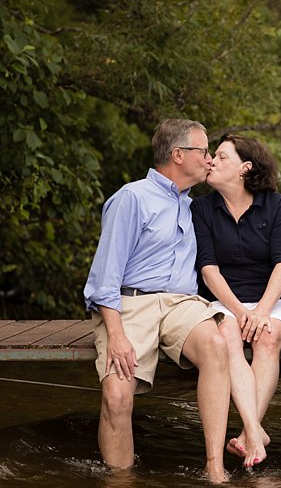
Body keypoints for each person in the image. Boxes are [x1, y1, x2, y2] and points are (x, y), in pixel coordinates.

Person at [83, 119, 233, 483]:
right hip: (131, 303)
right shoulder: (132, 198)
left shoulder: (192, 204)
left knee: (215, 344)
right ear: (178, 155)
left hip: (181, 303)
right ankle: (122, 480)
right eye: (204, 150)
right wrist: (116, 335)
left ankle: (214, 467)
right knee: (117, 397)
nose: (209, 158)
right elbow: (105, 279)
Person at [191, 133, 281, 468]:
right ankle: (253, 432)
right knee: (228, 338)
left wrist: (263, 310)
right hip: (224, 300)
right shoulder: (202, 208)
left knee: (268, 338)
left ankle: (249, 433)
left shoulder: (275, 205)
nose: (212, 161)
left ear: (244, 168)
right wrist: (239, 311)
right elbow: (208, 269)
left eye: (221, 157)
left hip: (271, 298)